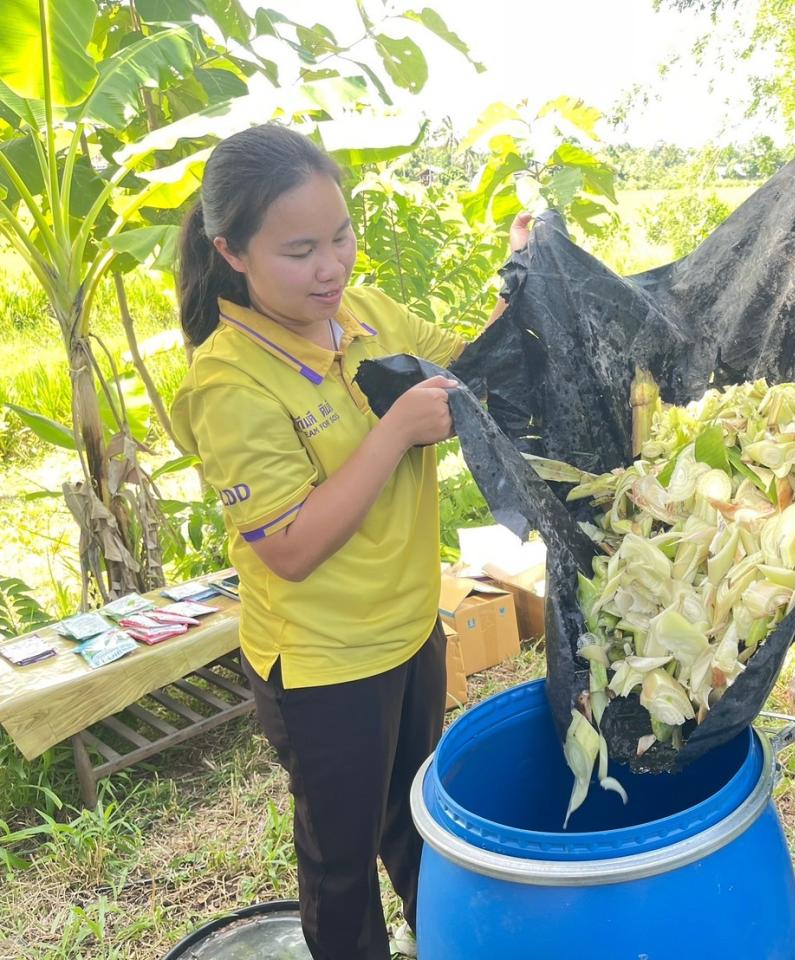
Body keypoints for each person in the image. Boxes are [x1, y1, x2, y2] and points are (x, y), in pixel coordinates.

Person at [170, 124, 529, 960]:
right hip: (325, 666)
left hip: (408, 632)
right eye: (299, 251)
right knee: (340, 865)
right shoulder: (230, 380)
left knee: (419, 824)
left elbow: (472, 364)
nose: (331, 267)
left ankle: (442, 942)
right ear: (232, 252)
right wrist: (395, 431)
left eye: (340, 237)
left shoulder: (363, 315)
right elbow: (289, 547)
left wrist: (524, 283)